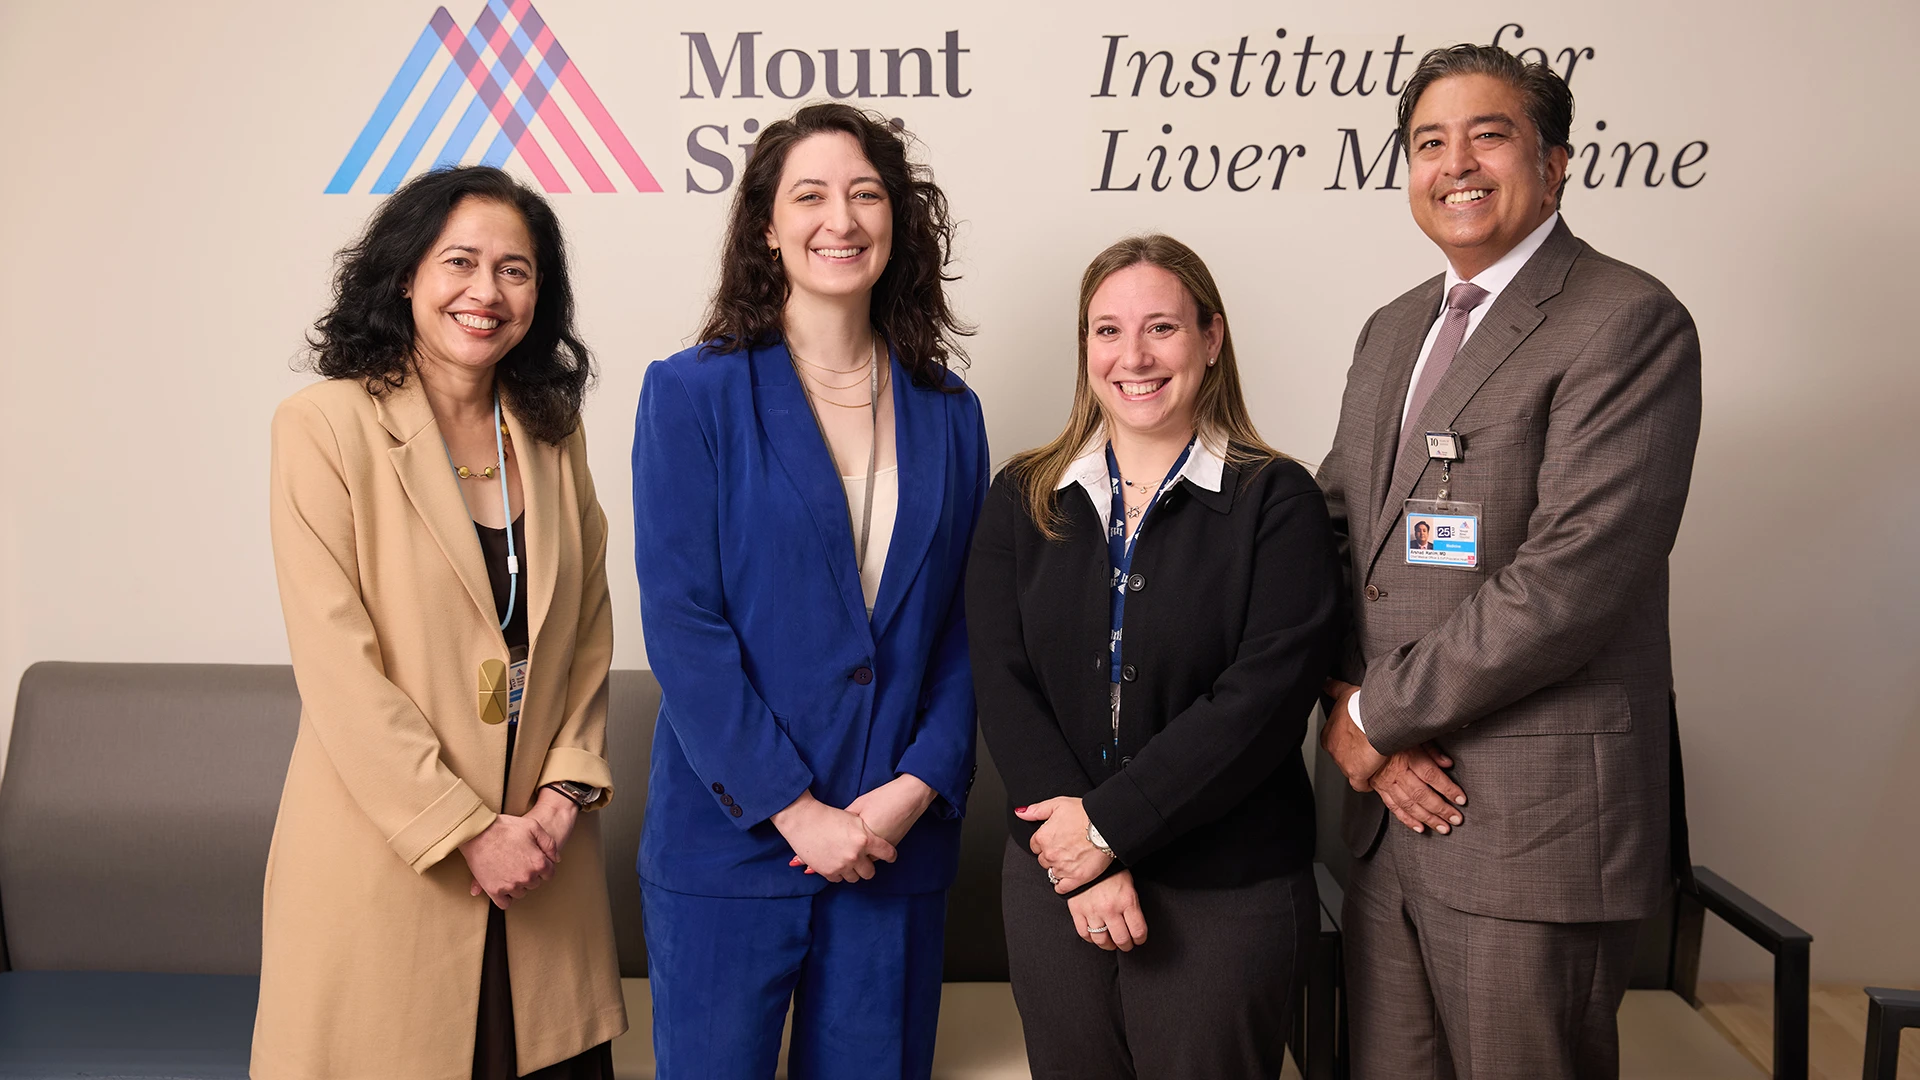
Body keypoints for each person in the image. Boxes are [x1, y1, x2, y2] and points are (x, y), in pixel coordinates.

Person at [1315, 44, 1702, 1080]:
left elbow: (1572, 579)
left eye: (1488, 135)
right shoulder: (1393, 329)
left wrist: (1373, 718)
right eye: (1428, 142)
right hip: (1385, 815)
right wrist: (1348, 705)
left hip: (1535, 831)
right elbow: (1333, 535)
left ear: (1556, 161)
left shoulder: (1626, 320)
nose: (1456, 164)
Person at [631, 102, 986, 1079]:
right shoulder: (692, 393)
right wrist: (795, 811)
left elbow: (969, 625)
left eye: (866, 194)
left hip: (893, 842)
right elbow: (683, 624)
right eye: (811, 196)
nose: (842, 219)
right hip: (732, 843)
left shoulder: (950, 412)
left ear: (897, 219)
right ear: (765, 225)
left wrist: (915, 789)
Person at [257, 165, 625, 1078]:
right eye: (459, 261)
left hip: (542, 860)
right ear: (405, 276)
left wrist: (561, 796)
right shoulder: (324, 425)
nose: (485, 291)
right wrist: (469, 830)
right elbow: (338, 667)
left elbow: (587, 630)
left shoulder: (552, 431)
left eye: (515, 270)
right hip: (393, 859)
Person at [967, 234, 1342, 1078]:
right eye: (1107, 331)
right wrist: (1079, 857)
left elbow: (1262, 703)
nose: (1132, 356)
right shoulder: (1022, 497)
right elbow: (1003, 681)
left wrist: (1107, 830)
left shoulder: (1278, 499)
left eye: (1161, 328)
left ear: (1211, 339)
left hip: (1226, 891)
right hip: (1053, 882)